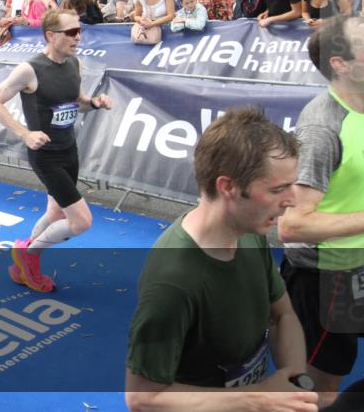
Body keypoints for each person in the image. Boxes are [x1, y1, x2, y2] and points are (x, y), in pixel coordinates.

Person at [125, 107, 318, 412]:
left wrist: (292, 382)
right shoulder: (172, 284)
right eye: (278, 189)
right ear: (228, 187)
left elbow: (283, 315)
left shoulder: (250, 232)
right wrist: (256, 399)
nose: (292, 199)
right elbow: (143, 398)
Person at [277, 16, 364, 411]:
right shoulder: (322, 129)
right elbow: (292, 226)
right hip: (328, 276)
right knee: (319, 392)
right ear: (341, 64)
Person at [0, 9, 112, 292]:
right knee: (81, 222)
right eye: (71, 32)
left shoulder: (73, 63)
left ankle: (22, 266)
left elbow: (77, 101)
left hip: (69, 150)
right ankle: (28, 255)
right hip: (46, 157)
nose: (77, 37)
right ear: (50, 36)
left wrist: (94, 103)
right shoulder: (30, 69)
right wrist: (24, 134)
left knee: (55, 214)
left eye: (79, 31)